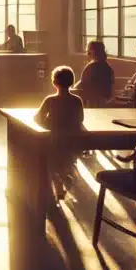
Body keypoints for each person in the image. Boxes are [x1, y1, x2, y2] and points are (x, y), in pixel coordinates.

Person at [35, 66, 85, 200]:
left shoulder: (50, 100)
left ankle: (59, 187)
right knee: (65, 162)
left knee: (52, 165)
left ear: (54, 83)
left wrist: (48, 123)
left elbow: (37, 118)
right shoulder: (77, 100)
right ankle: (65, 176)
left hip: (54, 139)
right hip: (71, 140)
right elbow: (80, 118)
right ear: (72, 82)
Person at [73, 40, 115, 106]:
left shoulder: (93, 67)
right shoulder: (107, 67)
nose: (87, 51)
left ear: (96, 51)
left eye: (90, 49)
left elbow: (83, 84)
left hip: (91, 101)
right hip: (103, 101)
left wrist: (73, 90)